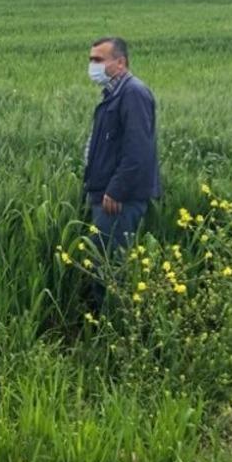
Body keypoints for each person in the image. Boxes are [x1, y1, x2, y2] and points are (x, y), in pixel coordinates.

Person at [83, 37, 161, 306]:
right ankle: (106, 323)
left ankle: (112, 327)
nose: (92, 65)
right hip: (105, 195)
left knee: (109, 266)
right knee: (102, 261)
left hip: (117, 200)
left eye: (98, 60)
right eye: (91, 59)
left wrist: (116, 189)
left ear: (120, 62)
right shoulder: (114, 93)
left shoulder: (133, 93)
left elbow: (138, 149)